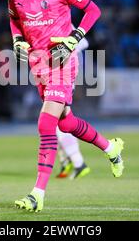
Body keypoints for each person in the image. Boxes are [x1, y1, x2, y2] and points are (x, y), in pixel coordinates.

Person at [7, 0, 125, 213]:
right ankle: (111, 148)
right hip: (38, 63)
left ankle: (37, 194)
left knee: (45, 124)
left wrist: (74, 38)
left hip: (62, 61)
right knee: (65, 123)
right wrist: (18, 41)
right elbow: (14, 20)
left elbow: (93, 10)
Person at [56, 30, 90, 180]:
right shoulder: (49, 19)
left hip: (64, 72)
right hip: (55, 72)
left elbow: (83, 42)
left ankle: (76, 162)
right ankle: (68, 160)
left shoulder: (61, 20)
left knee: (58, 120)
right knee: (58, 119)